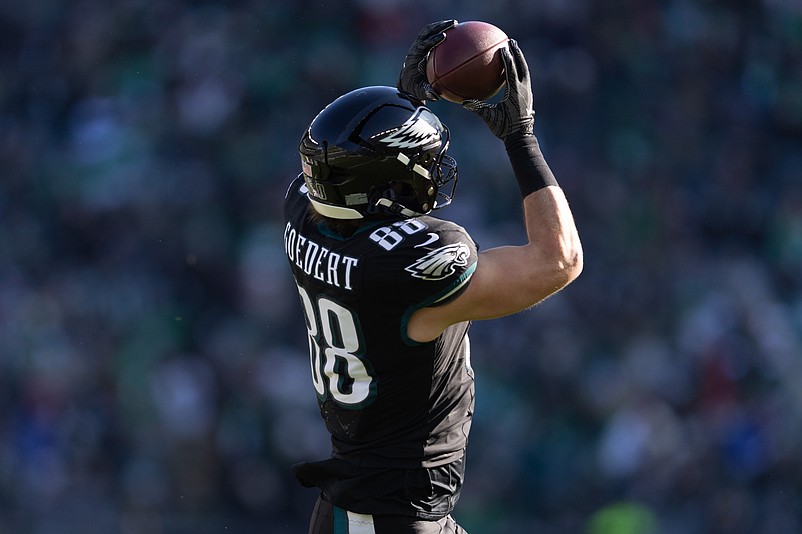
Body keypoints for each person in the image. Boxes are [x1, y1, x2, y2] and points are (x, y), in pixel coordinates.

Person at [283, 20, 583, 534]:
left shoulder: (303, 212)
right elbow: (558, 261)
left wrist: (403, 103)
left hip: (372, 506)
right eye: (416, 169)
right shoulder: (408, 265)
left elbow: (342, 165)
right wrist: (521, 136)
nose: (427, 175)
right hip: (386, 520)